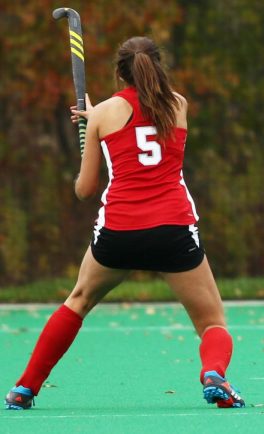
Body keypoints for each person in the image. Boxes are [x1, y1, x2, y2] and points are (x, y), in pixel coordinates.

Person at [5, 36, 244, 409]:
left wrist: (93, 129)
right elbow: (146, 123)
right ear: (157, 65)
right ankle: (213, 374)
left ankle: (24, 388)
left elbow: (85, 190)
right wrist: (98, 119)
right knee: (212, 322)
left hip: (119, 233)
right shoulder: (179, 105)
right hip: (173, 231)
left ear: (120, 73)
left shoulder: (104, 113)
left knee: (78, 300)